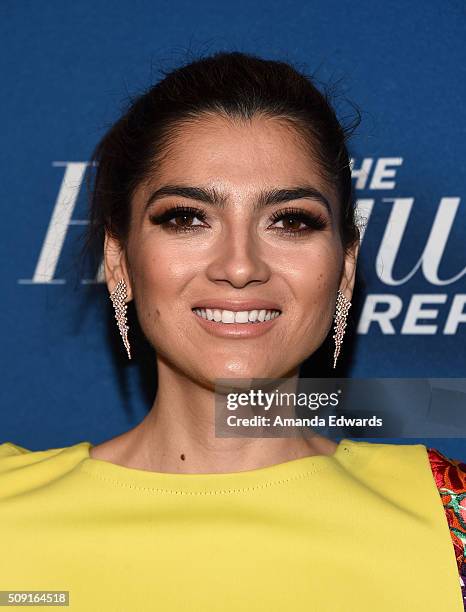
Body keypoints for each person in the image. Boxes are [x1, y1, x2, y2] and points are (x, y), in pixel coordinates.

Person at [1, 51, 465, 611]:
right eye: (186, 218)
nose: (240, 265)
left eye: (291, 221)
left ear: (344, 269)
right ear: (120, 260)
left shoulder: (448, 518)